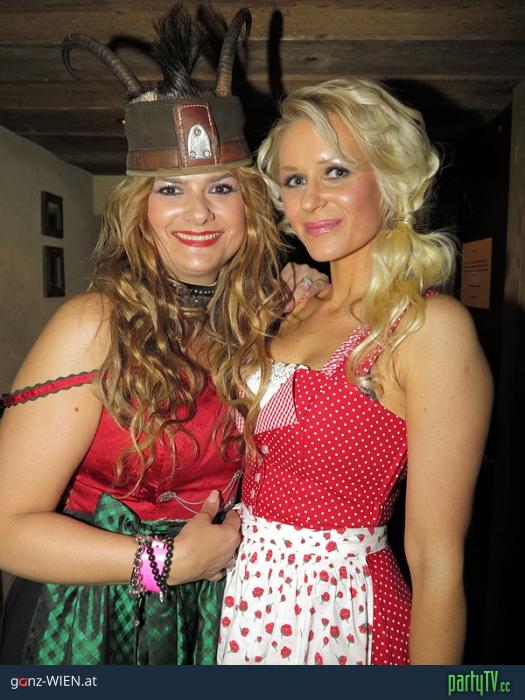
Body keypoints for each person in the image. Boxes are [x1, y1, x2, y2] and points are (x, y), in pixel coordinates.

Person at [0, 7, 326, 665]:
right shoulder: (92, 325)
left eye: (221, 187)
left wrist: (312, 303)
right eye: (170, 188)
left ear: (250, 207)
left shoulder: (259, 321)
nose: (198, 212)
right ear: (138, 210)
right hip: (91, 625)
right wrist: (162, 564)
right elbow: (7, 530)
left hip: (215, 612)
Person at [217, 78, 493, 665]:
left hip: (338, 618)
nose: (310, 200)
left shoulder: (426, 329)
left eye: (335, 172)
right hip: (244, 604)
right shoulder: (288, 308)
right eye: (295, 180)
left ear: (391, 179)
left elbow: (437, 563)